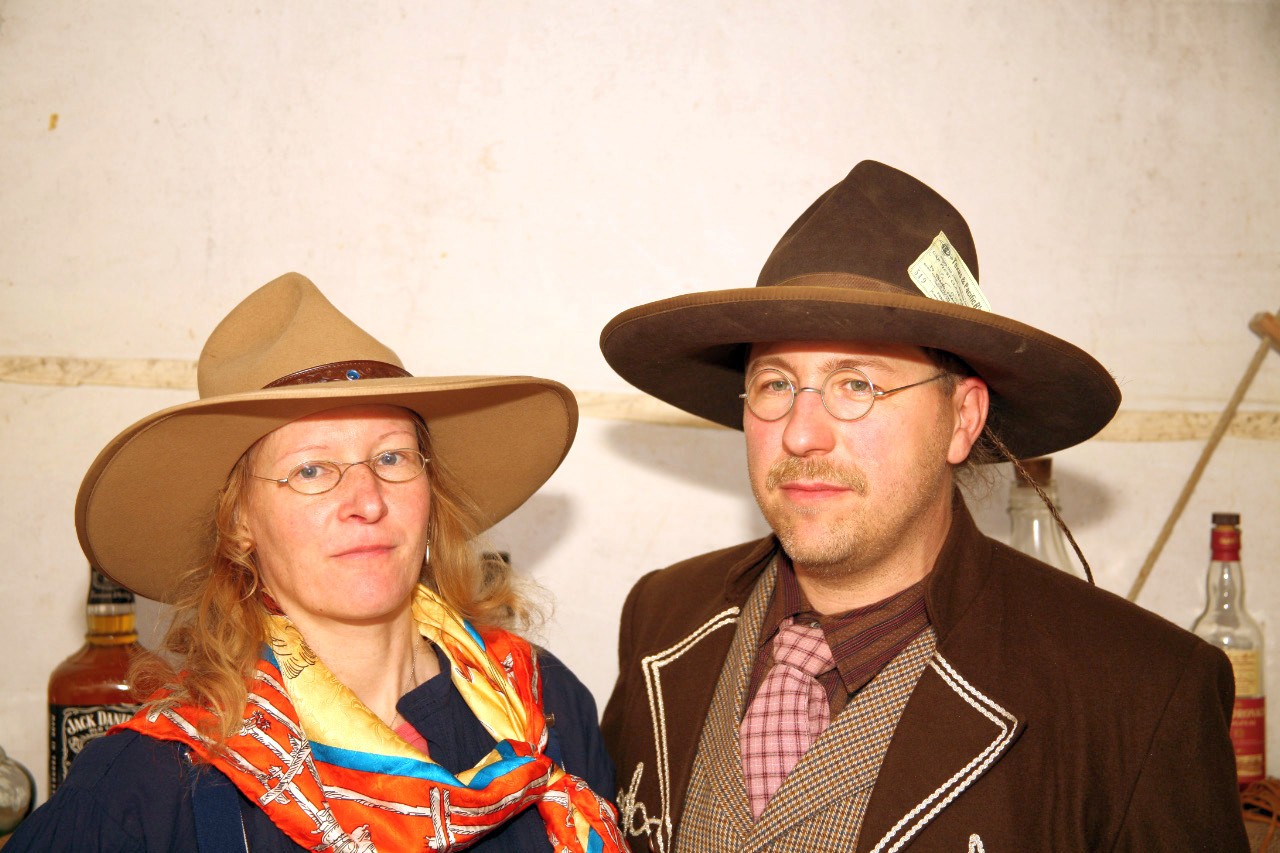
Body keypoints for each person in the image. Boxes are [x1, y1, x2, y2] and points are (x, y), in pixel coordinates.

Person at [597, 162, 1248, 851]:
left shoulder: (1140, 694)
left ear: (961, 419)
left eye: (856, 384)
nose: (800, 433)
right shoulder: (664, 619)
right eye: (775, 384)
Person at [11, 273, 622, 852]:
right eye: (311, 469)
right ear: (239, 522)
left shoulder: (542, 705)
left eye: (391, 458)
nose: (368, 502)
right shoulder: (154, 782)